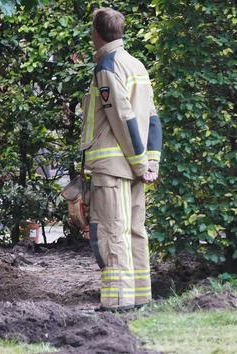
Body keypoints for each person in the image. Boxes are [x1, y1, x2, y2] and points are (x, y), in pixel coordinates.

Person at [80, 8, 162, 311]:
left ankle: (117, 301)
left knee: (112, 231)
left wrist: (141, 163)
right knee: (135, 231)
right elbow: (152, 118)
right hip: (137, 167)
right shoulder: (136, 64)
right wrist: (150, 163)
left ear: (96, 33)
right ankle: (140, 296)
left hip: (114, 167)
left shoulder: (107, 66)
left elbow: (122, 118)